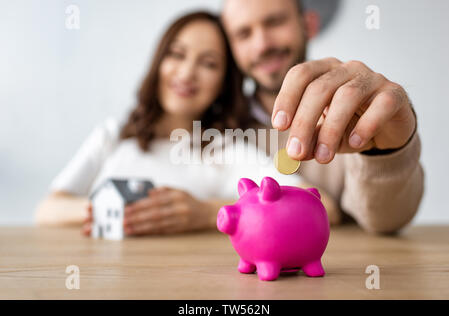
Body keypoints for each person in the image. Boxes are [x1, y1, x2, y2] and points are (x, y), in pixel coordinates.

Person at [34, 11, 306, 235]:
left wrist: (206, 213)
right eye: (176, 54)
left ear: (223, 84)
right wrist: (118, 209)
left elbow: (316, 204)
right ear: (159, 61)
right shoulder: (112, 136)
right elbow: (48, 209)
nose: (187, 73)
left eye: (209, 64)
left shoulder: (224, 150)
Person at [221, 0, 424, 233]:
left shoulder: (352, 112)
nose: (262, 45)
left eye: (275, 22)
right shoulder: (218, 127)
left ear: (309, 24)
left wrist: (386, 153)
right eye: (243, 34)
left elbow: (388, 221)